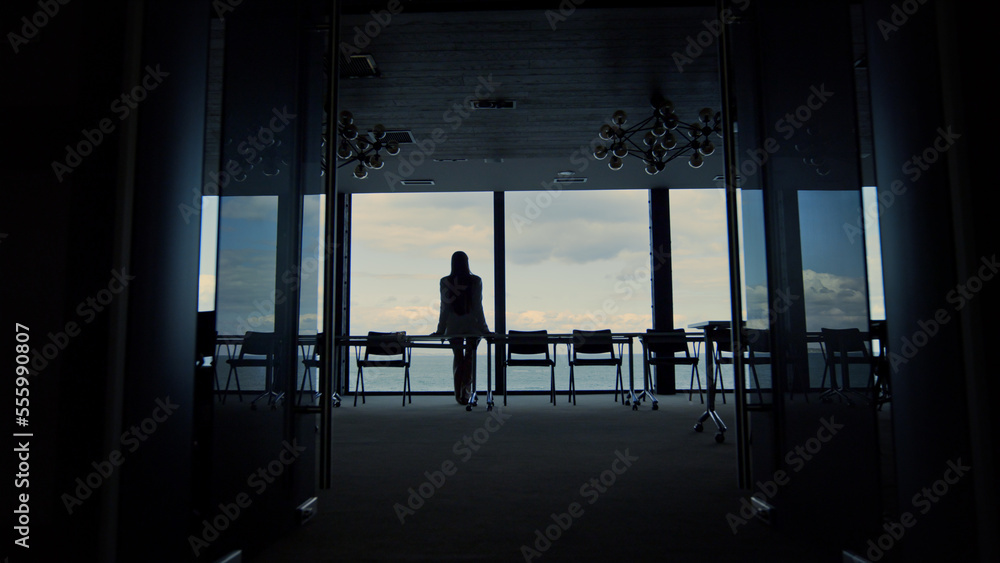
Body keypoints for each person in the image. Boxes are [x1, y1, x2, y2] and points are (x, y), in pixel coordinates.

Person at [431, 251, 490, 404]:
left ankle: (459, 395)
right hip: (472, 326)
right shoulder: (475, 281)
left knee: (458, 358)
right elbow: (478, 307)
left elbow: (444, 308)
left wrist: (440, 330)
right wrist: (485, 330)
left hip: (453, 326)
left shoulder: (445, 281)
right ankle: (467, 392)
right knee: (469, 359)